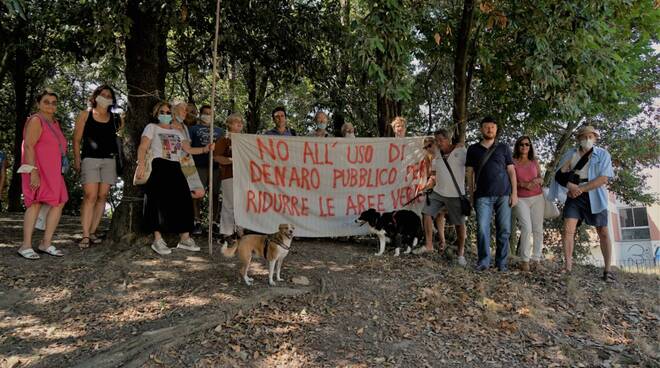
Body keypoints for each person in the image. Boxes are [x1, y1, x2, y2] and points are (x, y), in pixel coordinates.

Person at [135, 101, 214, 255]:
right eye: (162, 112)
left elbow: (188, 149)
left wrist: (206, 149)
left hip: (176, 167)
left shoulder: (178, 132)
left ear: (172, 115)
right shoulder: (151, 127)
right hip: (158, 166)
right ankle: (157, 239)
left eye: (168, 113)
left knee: (183, 199)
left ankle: (185, 238)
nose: (165, 115)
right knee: (155, 201)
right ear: (157, 114)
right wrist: (141, 164)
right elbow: (143, 147)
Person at [548, 126, 614, 281]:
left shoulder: (603, 154)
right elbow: (560, 174)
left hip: (595, 194)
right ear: (578, 139)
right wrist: (569, 186)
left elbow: (604, 178)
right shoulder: (570, 154)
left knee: (603, 231)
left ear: (596, 138)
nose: (587, 139)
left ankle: (608, 270)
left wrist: (582, 189)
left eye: (590, 136)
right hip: (574, 195)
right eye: (584, 136)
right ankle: (568, 267)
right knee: (568, 230)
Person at [17, 90, 68, 260]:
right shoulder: (36, 120)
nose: (50, 105)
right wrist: (33, 172)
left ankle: (46, 243)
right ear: (39, 104)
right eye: (46, 102)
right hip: (38, 169)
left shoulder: (54, 122)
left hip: (54, 171)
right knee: (35, 203)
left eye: (54, 102)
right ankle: (25, 245)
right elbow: (29, 146)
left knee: (59, 202)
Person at [73, 84, 123, 248]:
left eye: (109, 96)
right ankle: (85, 235)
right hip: (90, 160)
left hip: (109, 161)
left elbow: (122, 136)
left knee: (102, 196)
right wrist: (77, 159)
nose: (106, 97)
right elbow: (76, 140)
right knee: (90, 196)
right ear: (95, 96)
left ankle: (93, 232)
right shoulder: (85, 115)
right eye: (103, 94)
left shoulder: (116, 119)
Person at [466, 116, 518, 271]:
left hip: (504, 194)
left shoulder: (503, 147)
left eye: (492, 127)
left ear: (496, 129)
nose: (490, 129)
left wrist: (514, 193)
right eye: (486, 127)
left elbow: (511, 171)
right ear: (481, 129)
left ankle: (501, 263)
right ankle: (483, 261)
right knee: (482, 228)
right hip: (482, 195)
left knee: (505, 229)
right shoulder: (473, 149)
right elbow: (470, 173)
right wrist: (471, 195)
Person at [416, 130, 468, 267]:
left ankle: (461, 254)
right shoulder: (437, 155)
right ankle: (429, 245)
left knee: (459, 223)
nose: (438, 143)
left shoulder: (461, 151)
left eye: (440, 140)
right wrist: (425, 187)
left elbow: (470, 169)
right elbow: (434, 176)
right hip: (439, 192)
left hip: (455, 194)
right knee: (426, 212)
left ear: (448, 139)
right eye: (436, 140)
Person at [188, 104, 223, 234]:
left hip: (215, 167)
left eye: (210, 113)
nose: (207, 116)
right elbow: (188, 146)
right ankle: (196, 221)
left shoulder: (219, 131)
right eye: (205, 113)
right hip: (199, 166)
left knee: (215, 194)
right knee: (197, 194)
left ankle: (214, 223)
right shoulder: (193, 129)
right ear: (200, 114)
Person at [512, 136, 545, 272]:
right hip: (521, 199)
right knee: (526, 227)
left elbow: (541, 179)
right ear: (518, 147)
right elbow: (511, 181)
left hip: (537, 198)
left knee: (538, 228)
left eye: (527, 144)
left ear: (530, 147)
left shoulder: (534, 161)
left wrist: (535, 182)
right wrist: (523, 184)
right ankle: (524, 260)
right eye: (521, 144)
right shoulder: (513, 162)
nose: (524, 147)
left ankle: (536, 259)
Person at [214, 113, 244, 243]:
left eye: (241, 122)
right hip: (229, 175)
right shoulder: (223, 140)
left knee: (242, 204)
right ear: (229, 124)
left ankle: (240, 231)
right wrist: (233, 160)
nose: (239, 124)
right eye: (236, 122)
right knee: (229, 204)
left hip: (244, 177)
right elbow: (217, 157)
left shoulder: (246, 140)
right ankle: (226, 233)